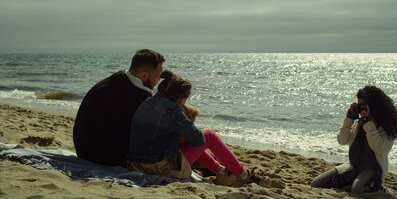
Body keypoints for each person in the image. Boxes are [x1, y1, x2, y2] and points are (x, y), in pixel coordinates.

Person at [126, 70, 271, 187]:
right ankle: (244, 176)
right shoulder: (174, 108)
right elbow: (199, 140)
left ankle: (221, 170)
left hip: (135, 165)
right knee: (210, 136)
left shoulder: (146, 102)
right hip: (159, 168)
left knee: (186, 143)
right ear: (182, 98)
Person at [73, 49, 165, 167]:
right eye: (158, 76)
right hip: (101, 157)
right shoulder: (138, 96)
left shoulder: (116, 79)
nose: (159, 80)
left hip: (83, 149)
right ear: (144, 75)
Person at [311, 85, 397, 194]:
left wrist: (368, 124)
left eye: (363, 105)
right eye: (359, 105)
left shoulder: (386, 126)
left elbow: (381, 149)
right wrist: (349, 119)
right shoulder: (359, 124)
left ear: (374, 106)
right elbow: (342, 140)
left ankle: (382, 190)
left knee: (357, 189)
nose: (361, 108)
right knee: (316, 184)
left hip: (372, 169)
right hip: (352, 166)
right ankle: (352, 181)